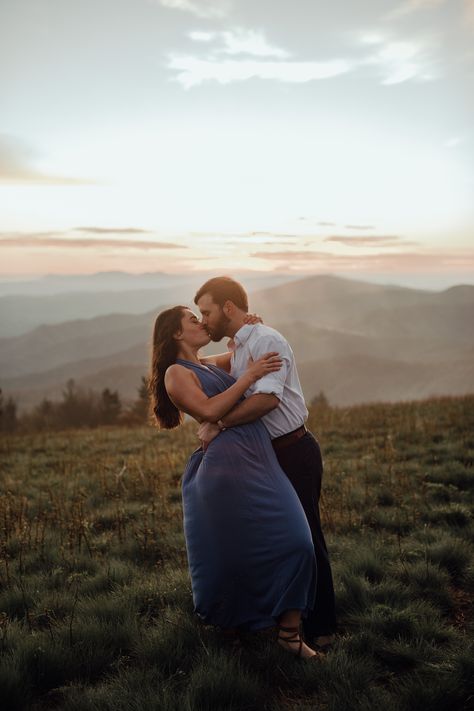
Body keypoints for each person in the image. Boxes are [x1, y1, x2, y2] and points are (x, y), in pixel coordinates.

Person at [149, 305, 322, 659]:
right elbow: (209, 411)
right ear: (177, 333)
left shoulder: (203, 363)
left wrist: (248, 328)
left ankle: (289, 635)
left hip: (258, 457)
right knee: (230, 554)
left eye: (203, 315)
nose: (202, 322)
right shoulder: (174, 374)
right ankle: (233, 626)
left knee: (297, 542)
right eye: (193, 319)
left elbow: (237, 354)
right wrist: (249, 377)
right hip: (224, 465)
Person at [195, 277, 337, 651]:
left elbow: (267, 402)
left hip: (294, 450)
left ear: (228, 308)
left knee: (306, 536)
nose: (203, 320)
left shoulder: (266, 342)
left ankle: (321, 624)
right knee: (274, 537)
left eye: (206, 312)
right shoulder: (240, 345)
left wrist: (219, 422)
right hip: (265, 457)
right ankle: (279, 616)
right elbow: (197, 364)